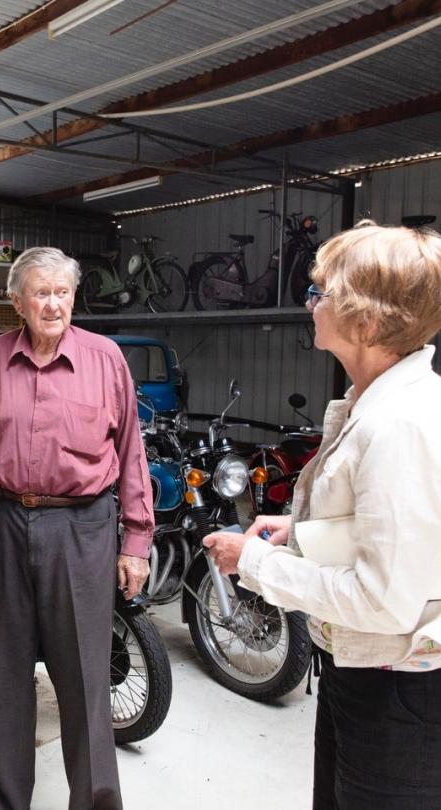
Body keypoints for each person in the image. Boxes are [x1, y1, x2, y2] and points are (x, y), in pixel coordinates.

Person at [203, 221, 441, 809]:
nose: (312, 305)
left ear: (365, 319)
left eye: (324, 293)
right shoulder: (375, 401)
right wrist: (301, 533)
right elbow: (389, 530)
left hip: (397, 690)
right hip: (360, 668)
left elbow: (386, 600)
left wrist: (255, 561)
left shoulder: (398, 426)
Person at [0, 246, 154, 810]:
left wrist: (136, 541)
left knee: (85, 674)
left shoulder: (105, 358)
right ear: (18, 302)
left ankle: (94, 800)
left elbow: (131, 453)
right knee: (5, 672)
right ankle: (2, 797)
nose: (54, 303)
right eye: (41, 292)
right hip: (5, 522)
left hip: (82, 529)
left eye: (62, 292)